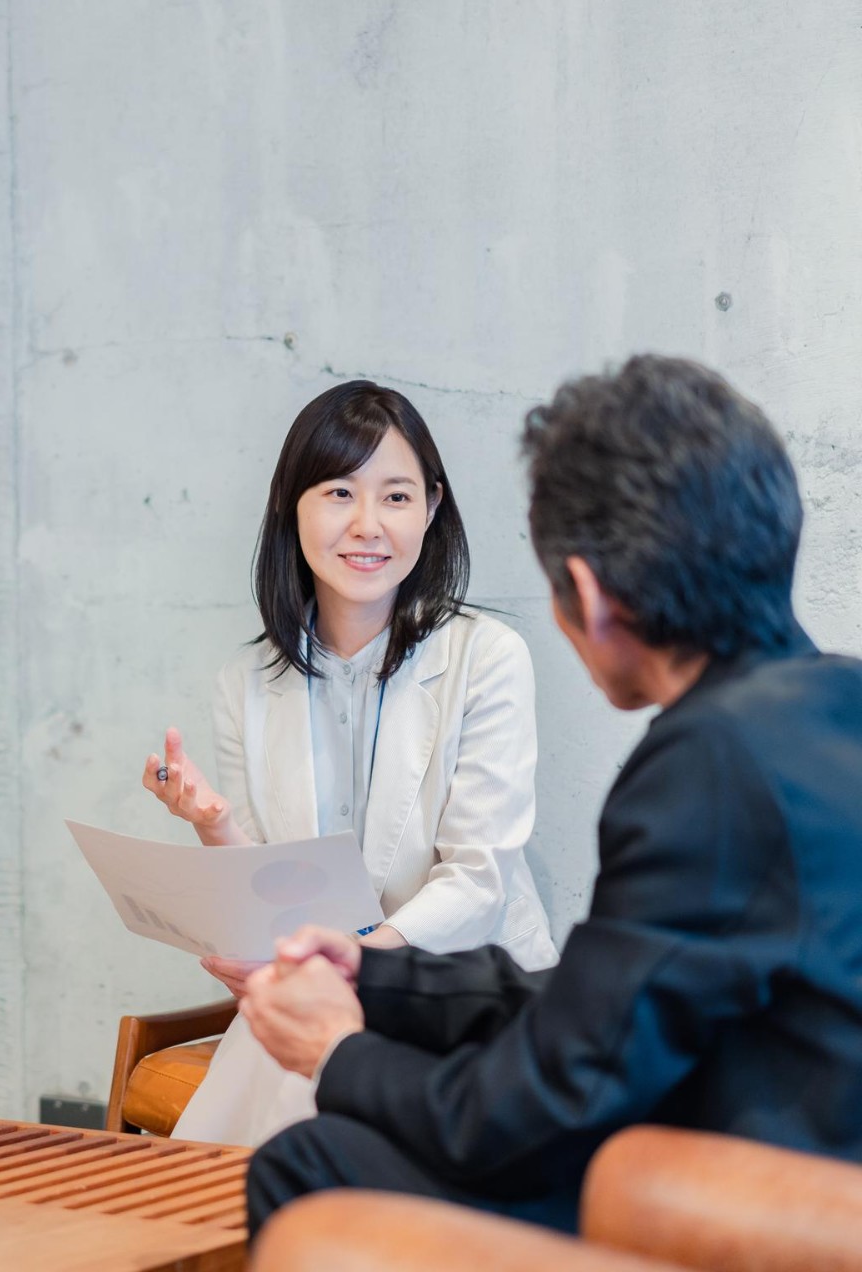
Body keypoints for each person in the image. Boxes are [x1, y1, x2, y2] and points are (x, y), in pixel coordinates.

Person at [241, 354, 862, 1237]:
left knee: (316, 1160)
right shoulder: (834, 705)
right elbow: (611, 1001)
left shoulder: (707, 764)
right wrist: (378, 978)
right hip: (798, 1139)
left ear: (591, 597)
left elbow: (537, 1105)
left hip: (757, 1184)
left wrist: (339, 1054)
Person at [140, 379, 557, 1147]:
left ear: (432, 509)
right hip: (326, 990)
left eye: (396, 497)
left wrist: (357, 966)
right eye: (339, 492)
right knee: (256, 1119)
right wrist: (215, 823)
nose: (368, 526)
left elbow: (478, 882)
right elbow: (276, 892)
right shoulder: (248, 683)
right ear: (289, 507)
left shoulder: (487, 657)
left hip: (458, 990)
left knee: (308, 1104)